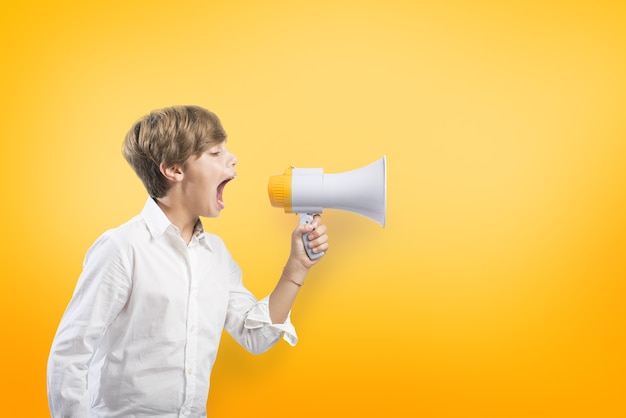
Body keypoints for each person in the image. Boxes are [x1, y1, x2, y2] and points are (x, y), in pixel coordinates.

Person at [47, 105, 329, 417]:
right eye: (215, 152)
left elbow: (256, 336)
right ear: (174, 170)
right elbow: (69, 356)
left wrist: (297, 267)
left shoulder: (216, 255)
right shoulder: (122, 248)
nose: (232, 158)